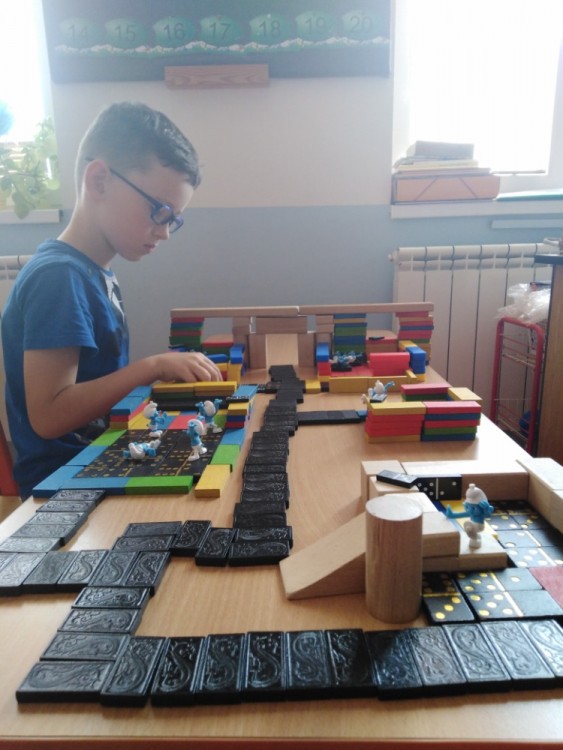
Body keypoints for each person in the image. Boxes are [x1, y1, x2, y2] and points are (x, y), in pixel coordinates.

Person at [1, 102, 222, 499]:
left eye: (173, 219)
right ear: (100, 181)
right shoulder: (59, 278)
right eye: (159, 211)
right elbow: (49, 416)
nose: (164, 232)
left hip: (100, 462)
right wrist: (152, 367)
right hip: (64, 487)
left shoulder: (93, 273)